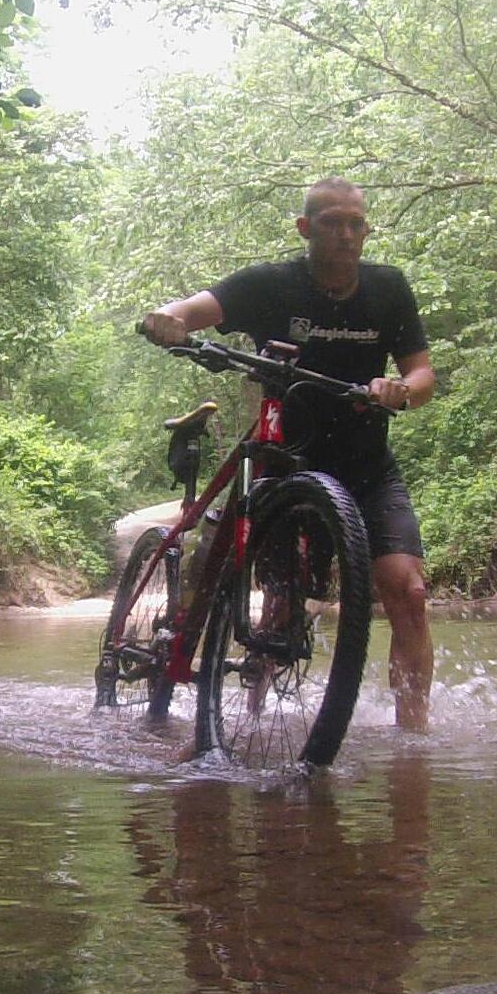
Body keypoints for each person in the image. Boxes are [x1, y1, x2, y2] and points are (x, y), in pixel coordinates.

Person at [142, 176, 436, 731]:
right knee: (280, 599)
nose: (346, 235)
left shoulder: (388, 288)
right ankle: (246, 722)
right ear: (306, 228)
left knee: (410, 591)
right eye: (331, 223)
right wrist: (168, 318)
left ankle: (413, 742)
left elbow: (422, 373)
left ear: (367, 230)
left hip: (367, 466)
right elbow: (192, 309)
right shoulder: (269, 285)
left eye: (356, 224)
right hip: (285, 464)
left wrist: (401, 389)